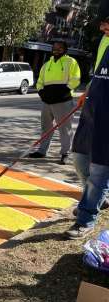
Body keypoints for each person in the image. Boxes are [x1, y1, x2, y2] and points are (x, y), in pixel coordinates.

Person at [65, 33, 109, 239]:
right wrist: (88, 92)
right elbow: (99, 77)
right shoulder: (106, 44)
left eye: (107, 21)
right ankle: (97, 199)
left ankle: (85, 219)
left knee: (98, 174)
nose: (102, 27)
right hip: (91, 116)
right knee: (80, 161)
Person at [29, 41, 81, 165]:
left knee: (65, 129)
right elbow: (40, 81)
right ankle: (42, 151)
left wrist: (64, 90)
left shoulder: (71, 62)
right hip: (47, 102)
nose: (56, 49)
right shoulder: (47, 64)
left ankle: (65, 153)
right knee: (46, 128)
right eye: (55, 47)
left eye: (60, 48)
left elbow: (76, 79)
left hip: (63, 100)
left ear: (65, 49)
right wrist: (41, 92)